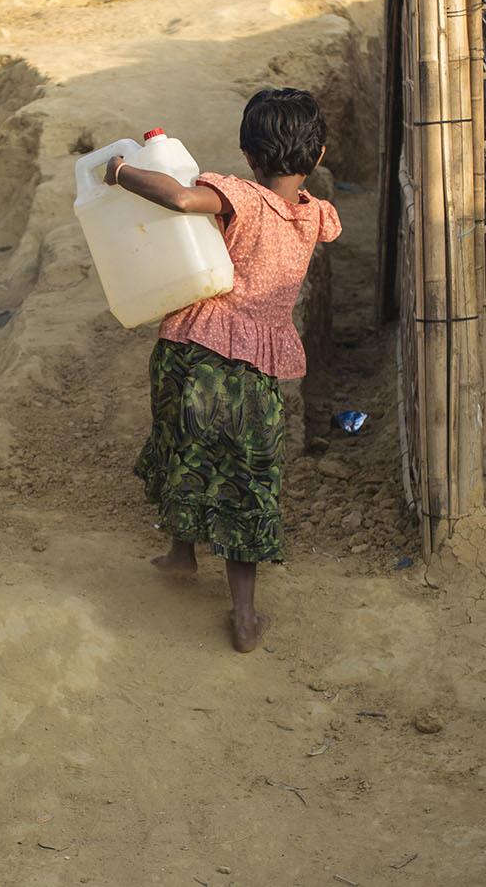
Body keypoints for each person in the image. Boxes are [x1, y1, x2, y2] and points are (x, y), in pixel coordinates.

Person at [101, 89, 341, 652]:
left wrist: (119, 171)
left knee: (182, 445)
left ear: (248, 154)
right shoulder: (315, 216)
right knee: (246, 478)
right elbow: (321, 222)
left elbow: (182, 202)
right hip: (256, 374)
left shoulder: (240, 197)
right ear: (321, 153)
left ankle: (180, 554)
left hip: (192, 348)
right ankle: (244, 615)